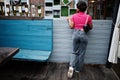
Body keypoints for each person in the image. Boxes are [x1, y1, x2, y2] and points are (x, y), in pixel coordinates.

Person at [67, 1, 93, 78]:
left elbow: (71, 26)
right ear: (85, 9)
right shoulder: (88, 17)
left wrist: (68, 20)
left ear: (78, 8)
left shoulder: (73, 16)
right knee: (81, 53)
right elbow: (91, 27)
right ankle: (78, 69)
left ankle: (72, 66)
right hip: (84, 35)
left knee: (74, 52)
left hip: (75, 35)